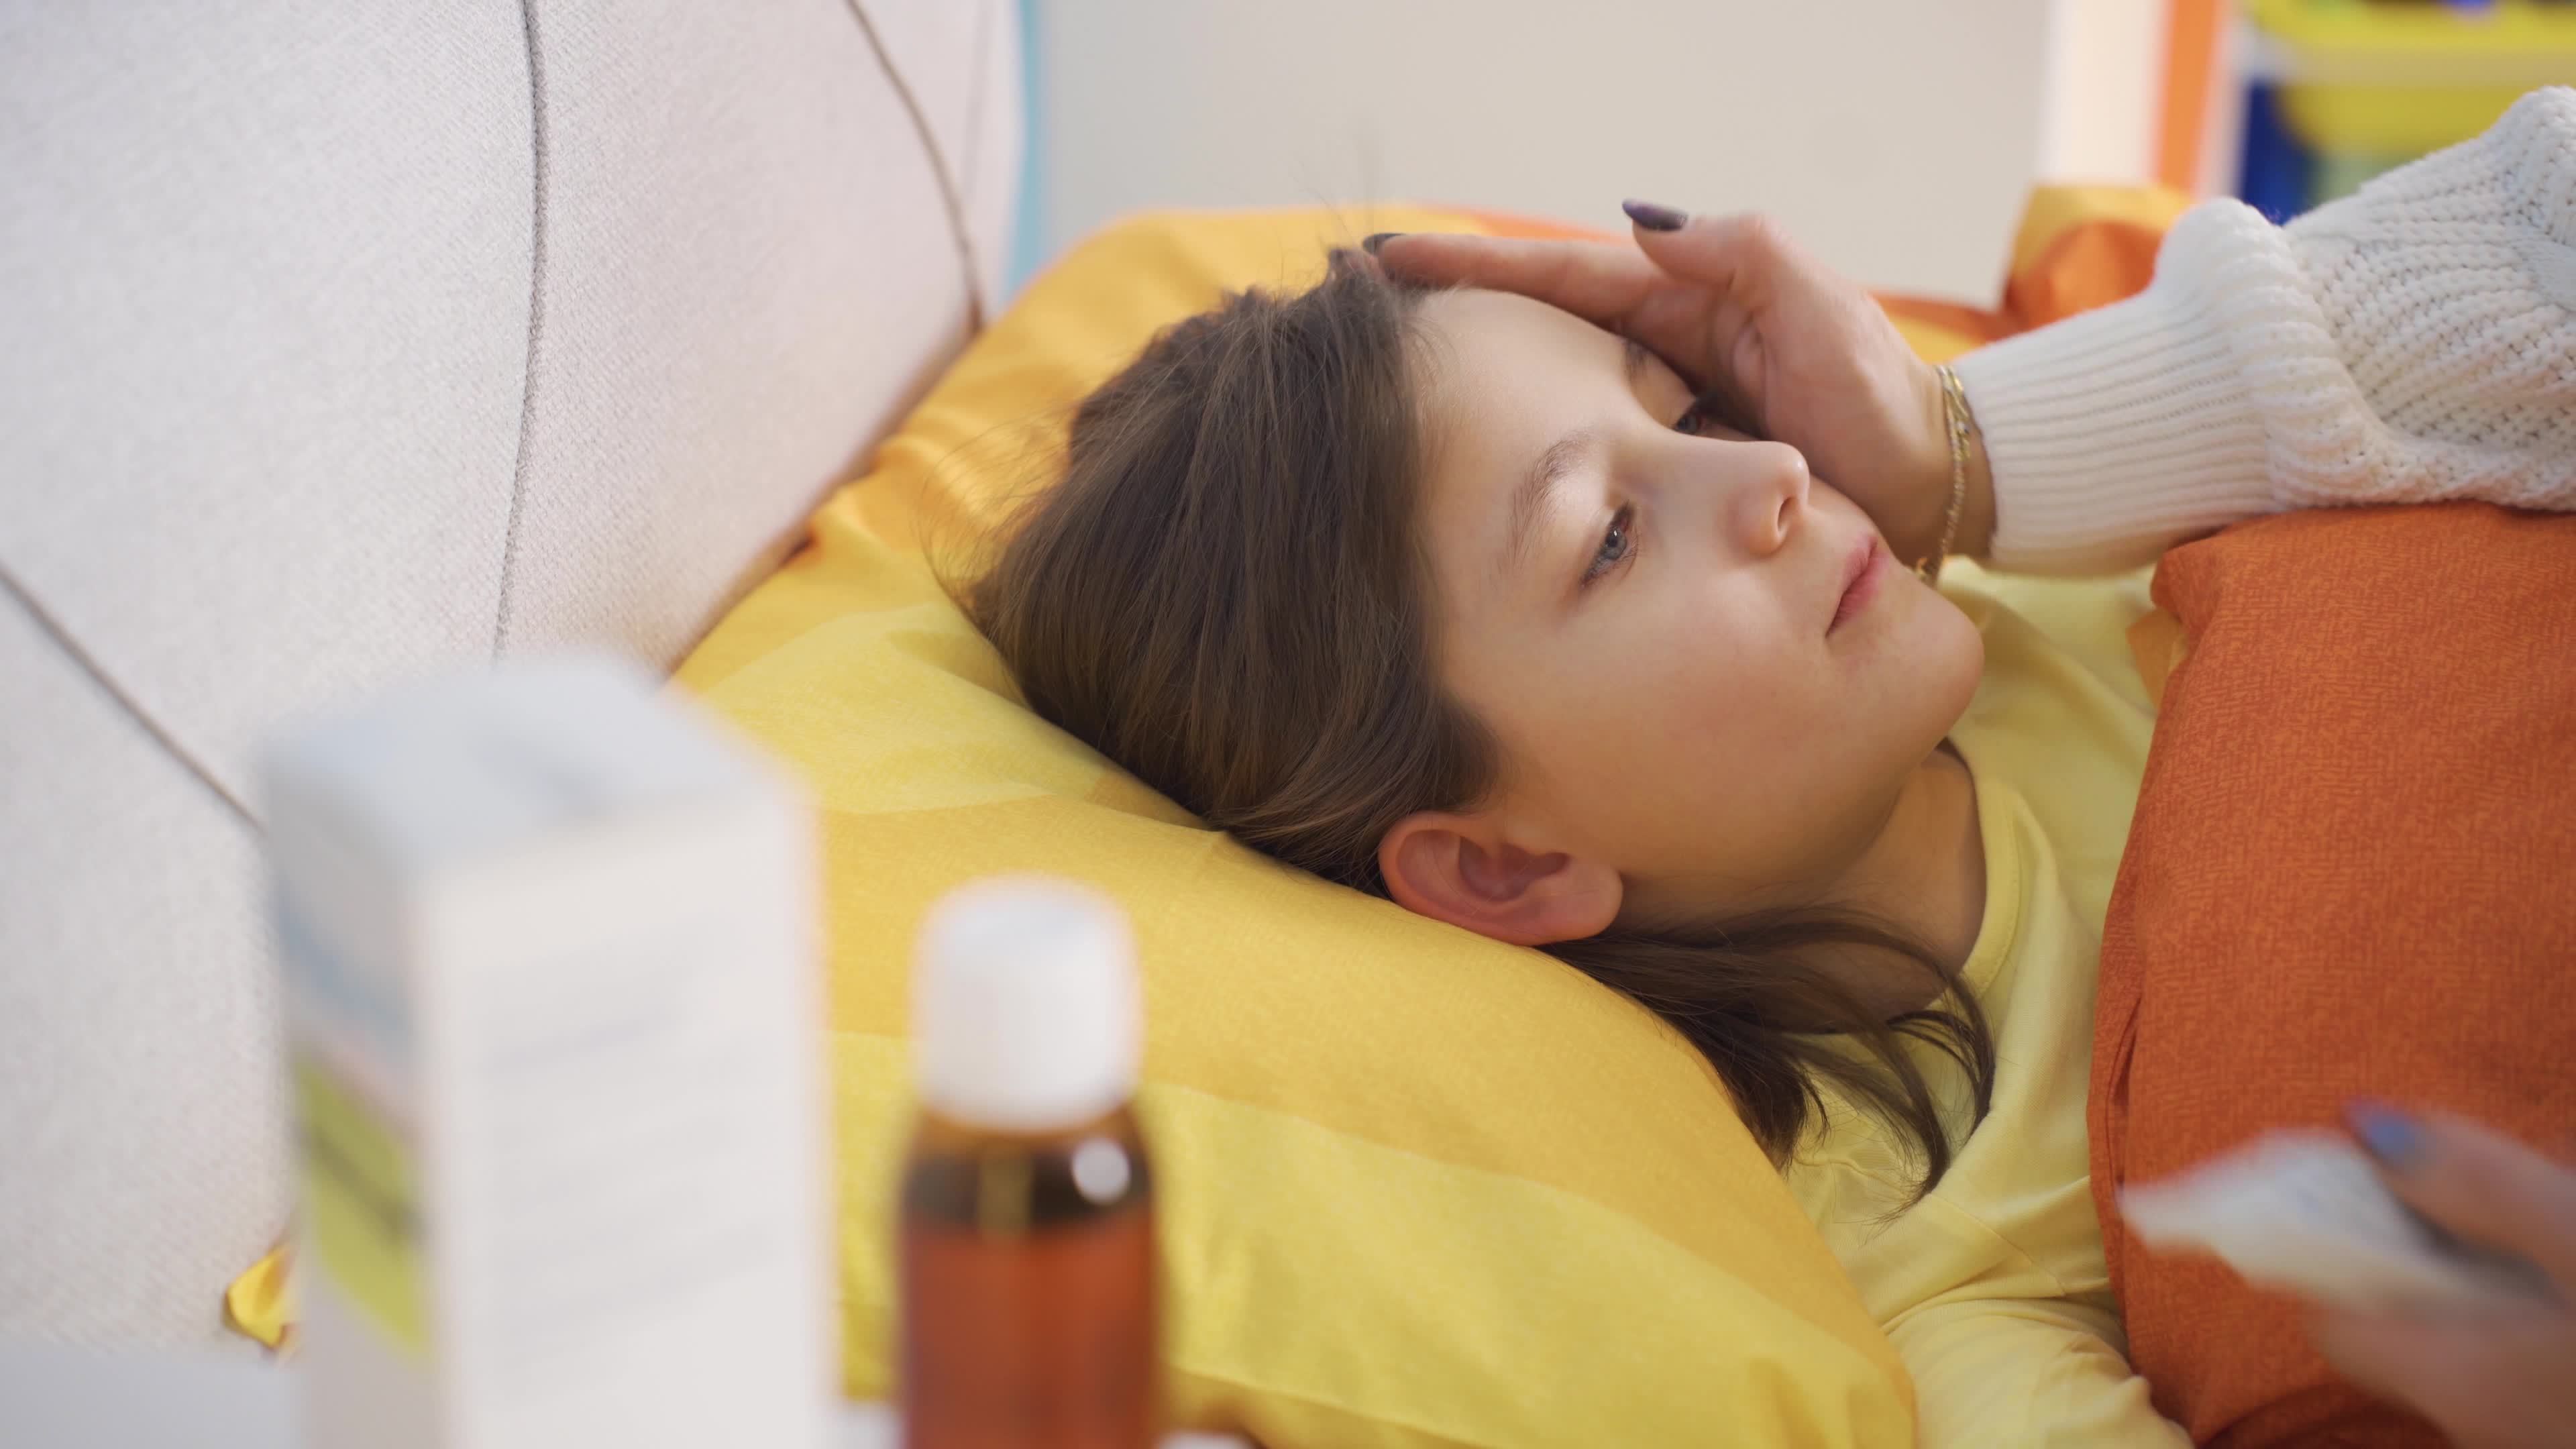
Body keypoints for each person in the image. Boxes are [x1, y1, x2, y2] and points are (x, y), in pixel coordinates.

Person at [971, 88, 2576, 1446]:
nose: (1772, 470)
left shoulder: (2096, 549)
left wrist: (1964, 442)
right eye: (1607, 538)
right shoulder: (1931, 1247)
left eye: (1681, 406)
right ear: (1502, 865)